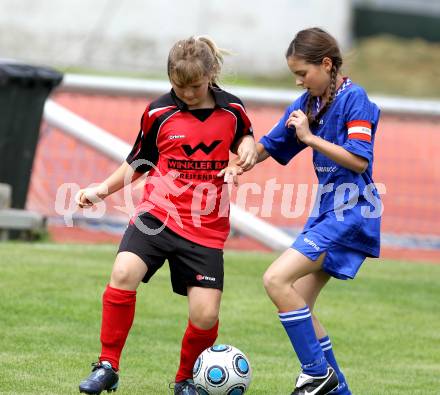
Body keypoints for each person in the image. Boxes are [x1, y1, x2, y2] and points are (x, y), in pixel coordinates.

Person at [76, 36, 257, 395]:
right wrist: (101, 190)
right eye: (178, 86)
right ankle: (107, 365)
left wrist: (247, 148)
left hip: (206, 226)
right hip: (157, 213)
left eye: (194, 86)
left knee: (205, 316)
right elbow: (138, 160)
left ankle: (185, 380)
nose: (186, 94)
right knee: (124, 271)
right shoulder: (159, 112)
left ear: (211, 75)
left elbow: (245, 137)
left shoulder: (232, 110)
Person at [222, 27, 381, 395]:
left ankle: (316, 373)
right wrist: (238, 164)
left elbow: (358, 160)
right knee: (301, 305)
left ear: (327, 65)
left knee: (276, 280)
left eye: (303, 73)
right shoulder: (307, 104)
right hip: (329, 212)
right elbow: (268, 145)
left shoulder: (355, 99)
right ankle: (336, 389)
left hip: (353, 212)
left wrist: (309, 138)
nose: (297, 81)